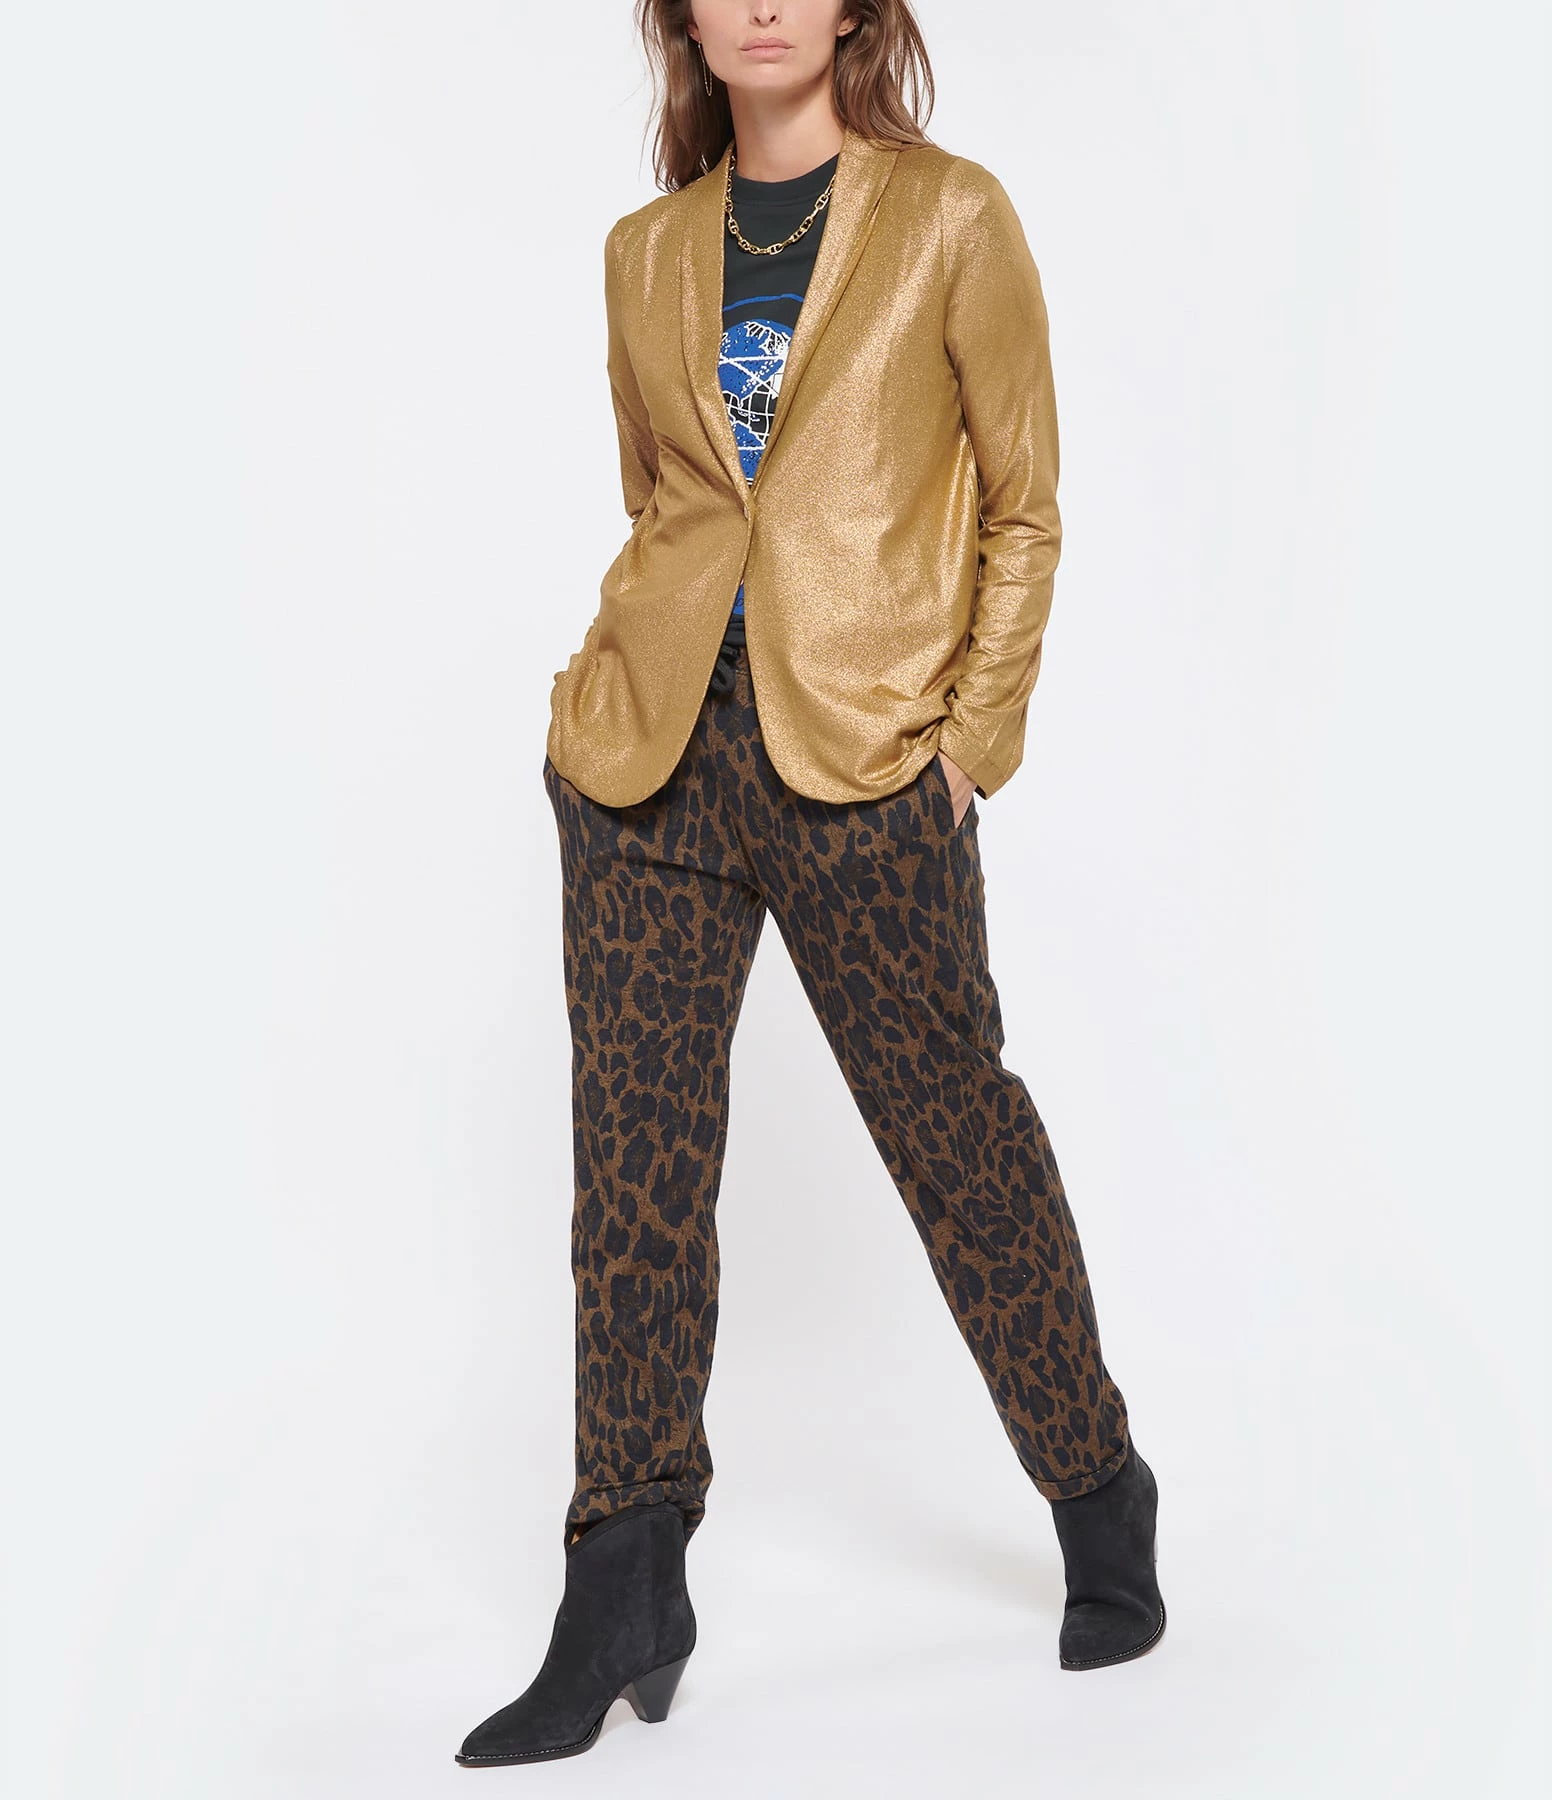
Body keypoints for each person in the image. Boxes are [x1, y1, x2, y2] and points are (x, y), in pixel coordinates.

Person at [456, 0, 1165, 1767]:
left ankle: (1096, 1481)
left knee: (957, 1139)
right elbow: (666, 503)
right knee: (634, 1172)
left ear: (853, 8)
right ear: (686, 19)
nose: (761, 4)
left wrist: (968, 745)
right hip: (647, 766)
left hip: (862, 767)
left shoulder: (953, 216)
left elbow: (1026, 504)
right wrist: (592, 707)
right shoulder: (644, 253)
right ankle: (624, 1577)